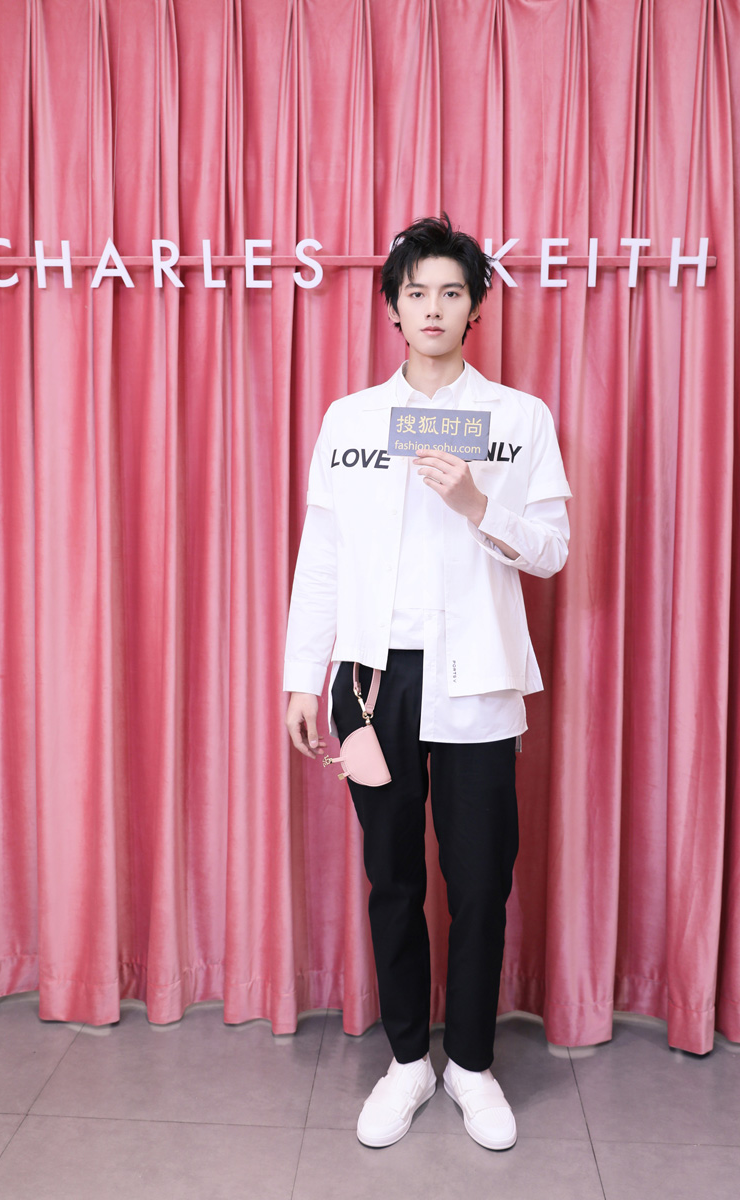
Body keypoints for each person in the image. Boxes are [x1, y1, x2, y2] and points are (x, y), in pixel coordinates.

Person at [284, 213, 571, 1150]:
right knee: (392, 877)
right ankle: (409, 1060)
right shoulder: (350, 420)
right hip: (373, 683)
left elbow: (553, 550)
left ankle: (472, 1065)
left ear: (476, 306)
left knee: (481, 881)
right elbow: (323, 554)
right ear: (394, 309)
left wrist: (477, 503)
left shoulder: (519, 418)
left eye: (452, 291)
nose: (434, 308)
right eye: (417, 293)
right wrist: (303, 675)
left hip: (477, 678)